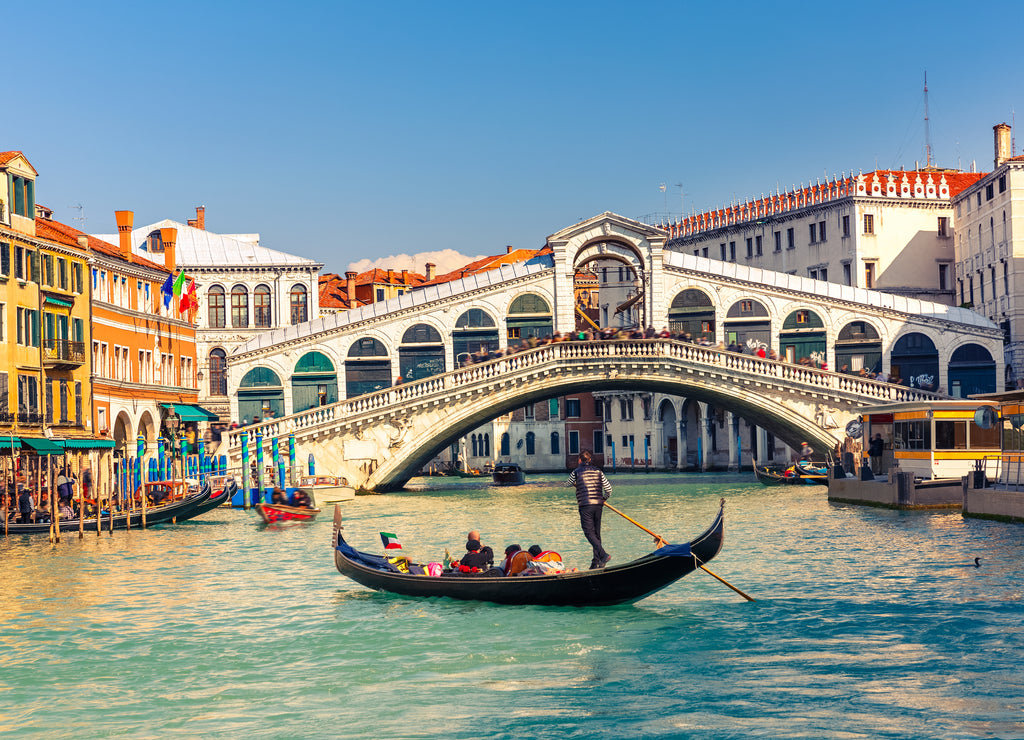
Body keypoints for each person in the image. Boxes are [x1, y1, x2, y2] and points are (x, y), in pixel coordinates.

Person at [567, 450, 612, 569]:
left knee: (588, 532)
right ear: (590, 460)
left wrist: (574, 483)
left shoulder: (576, 472)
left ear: (580, 460)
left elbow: (567, 484)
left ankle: (603, 555)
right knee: (596, 533)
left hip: (585, 505)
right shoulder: (599, 471)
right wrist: (603, 499)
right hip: (598, 505)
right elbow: (609, 489)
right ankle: (596, 562)